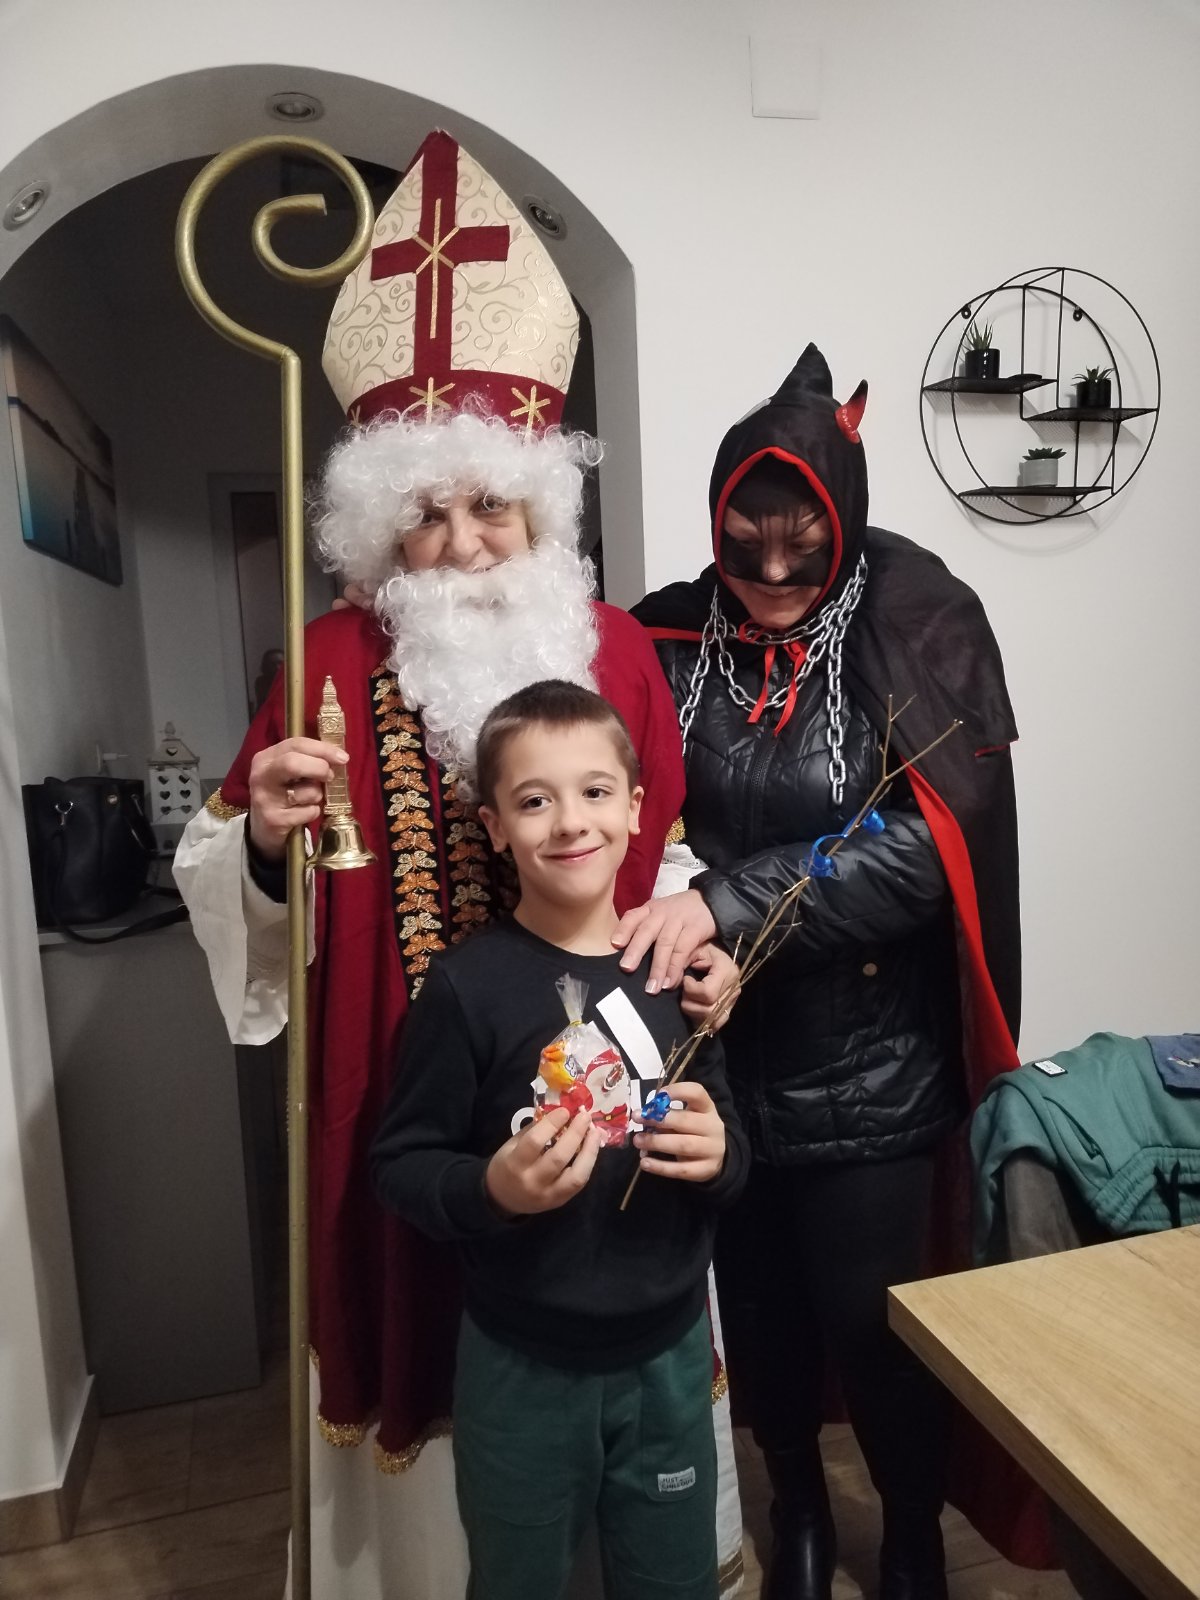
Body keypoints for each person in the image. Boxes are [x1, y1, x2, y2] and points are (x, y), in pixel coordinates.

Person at [174, 131, 743, 1600]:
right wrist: (266, 838)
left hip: (615, 1122)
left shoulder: (615, 650)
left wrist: (691, 912)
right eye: (424, 511)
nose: (465, 541)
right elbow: (222, 867)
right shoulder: (318, 661)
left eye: (491, 502)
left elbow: (671, 845)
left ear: (539, 504)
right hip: (402, 1087)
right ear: (380, 526)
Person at [618, 344, 1024, 1600]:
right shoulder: (666, 636)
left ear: (844, 525)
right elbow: (609, 809)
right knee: (761, 1318)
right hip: (715, 1055)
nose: (778, 576)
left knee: (874, 1322)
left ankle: (909, 1530)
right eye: (747, 548)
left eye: (805, 548)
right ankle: (796, 1507)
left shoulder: (918, 621)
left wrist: (728, 899)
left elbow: (930, 845)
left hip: (870, 1060)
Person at [371, 680, 749, 1600]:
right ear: (495, 827)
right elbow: (402, 1165)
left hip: (668, 1363)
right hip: (519, 1367)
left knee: (675, 1582)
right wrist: (492, 1190)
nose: (571, 821)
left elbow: (733, 1141)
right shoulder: (465, 989)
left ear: (636, 808)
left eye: (594, 791)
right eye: (535, 800)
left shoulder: (676, 974)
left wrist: (722, 1157)